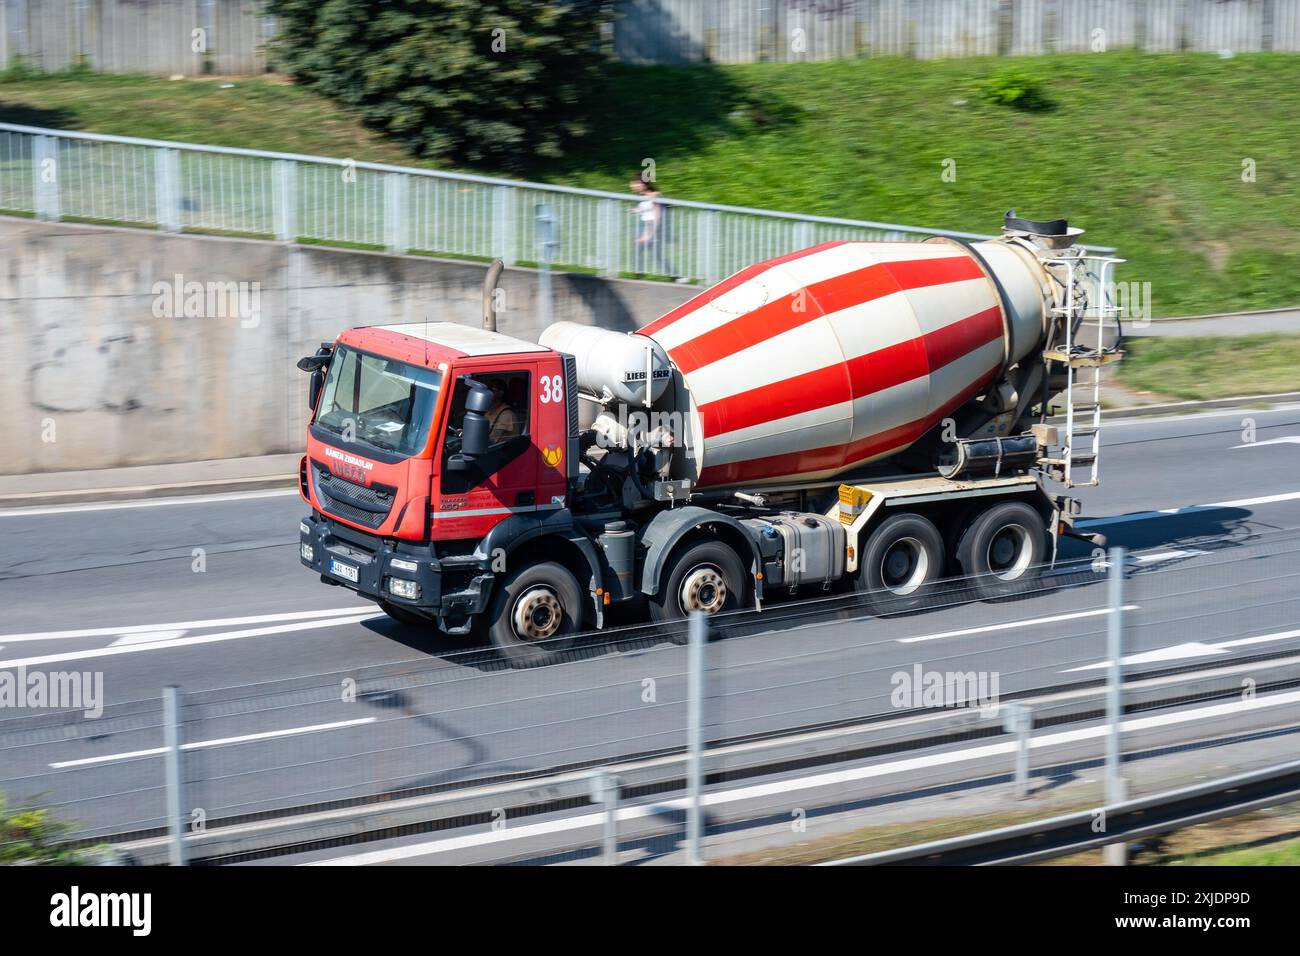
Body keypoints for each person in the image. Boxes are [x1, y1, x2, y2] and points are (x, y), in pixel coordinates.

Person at [629, 177, 678, 279]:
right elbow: (647, 210)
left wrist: (649, 234)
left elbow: (657, 216)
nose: (633, 185)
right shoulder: (643, 197)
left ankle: (677, 277)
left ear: (644, 184)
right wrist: (636, 210)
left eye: (636, 183)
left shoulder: (654, 195)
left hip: (652, 229)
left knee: (655, 256)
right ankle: (639, 275)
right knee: (650, 255)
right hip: (646, 228)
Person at [485, 378, 521, 444]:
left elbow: (492, 441)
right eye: (487, 389)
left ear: (500, 393)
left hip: (502, 452)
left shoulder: (507, 414)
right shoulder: (488, 411)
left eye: (491, 390)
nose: (488, 392)